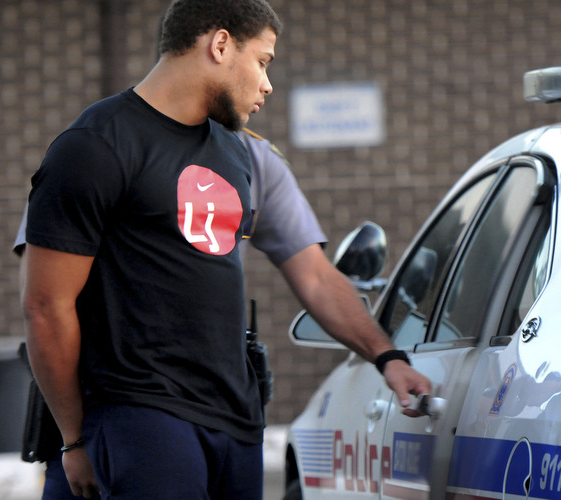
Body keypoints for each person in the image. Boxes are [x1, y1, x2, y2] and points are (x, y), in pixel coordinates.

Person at [21, 1, 430, 498]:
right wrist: (74, 440)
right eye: (263, 61)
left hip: (236, 420)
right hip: (140, 414)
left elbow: (318, 278)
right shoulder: (94, 146)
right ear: (219, 45)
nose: (267, 84)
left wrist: (388, 357)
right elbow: (46, 307)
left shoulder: (239, 152)